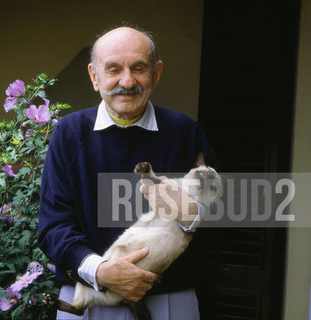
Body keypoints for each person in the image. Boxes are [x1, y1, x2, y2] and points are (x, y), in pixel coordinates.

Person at [38, 26, 215, 320]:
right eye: (113, 69)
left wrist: (189, 212)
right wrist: (101, 271)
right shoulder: (68, 134)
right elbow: (53, 225)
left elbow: (224, 217)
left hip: (169, 300)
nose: (127, 81)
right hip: (88, 296)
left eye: (139, 68)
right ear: (95, 76)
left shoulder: (186, 133)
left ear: (156, 74)